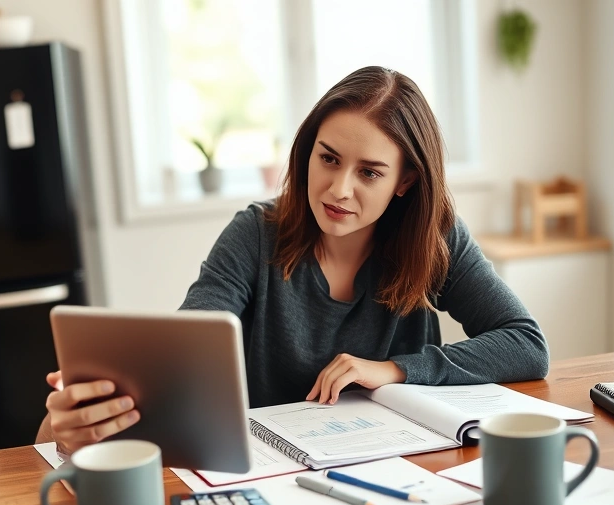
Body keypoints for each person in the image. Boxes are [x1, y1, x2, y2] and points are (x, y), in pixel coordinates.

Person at [36, 66, 549, 455]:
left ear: (406, 182)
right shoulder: (255, 235)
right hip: (271, 471)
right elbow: (188, 347)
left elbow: (525, 344)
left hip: (405, 466)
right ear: (307, 152)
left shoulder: (433, 238)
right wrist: (82, 420)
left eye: (369, 172)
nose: (338, 189)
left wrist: (394, 370)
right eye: (328, 158)